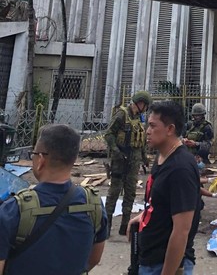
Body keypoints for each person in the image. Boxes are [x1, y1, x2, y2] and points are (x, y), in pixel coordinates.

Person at [0, 123, 108, 275]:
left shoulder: (13, 211)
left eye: (34, 154)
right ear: (74, 159)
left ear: (41, 160)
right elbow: (94, 259)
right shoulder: (93, 204)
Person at [128, 99, 201, 275]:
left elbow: (182, 230)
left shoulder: (180, 168)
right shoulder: (162, 157)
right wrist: (143, 216)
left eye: (153, 126)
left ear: (170, 129)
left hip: (164, 264)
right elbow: (160, 200)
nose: (147, 131)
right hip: (149, 258)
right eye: (147, 125)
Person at [104, 89, 152, 235]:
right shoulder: (121, 115)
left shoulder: (139, 118)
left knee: (130, 192)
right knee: (114, 192)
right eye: (145, 106)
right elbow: (109, 134)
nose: (145, 109)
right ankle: (106, 228)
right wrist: (115, 150)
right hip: (120, 159)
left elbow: (142, 141)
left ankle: (124, 227)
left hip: (134, 160)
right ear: (140, 103)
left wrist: (144, 158)